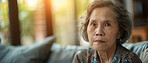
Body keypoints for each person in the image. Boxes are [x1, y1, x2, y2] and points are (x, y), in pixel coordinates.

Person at [73, 0, 142, 63]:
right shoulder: (81, 58)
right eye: (94, 24)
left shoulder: (130, 60)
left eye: (107, 24)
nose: (99, 32)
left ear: (119, 32)